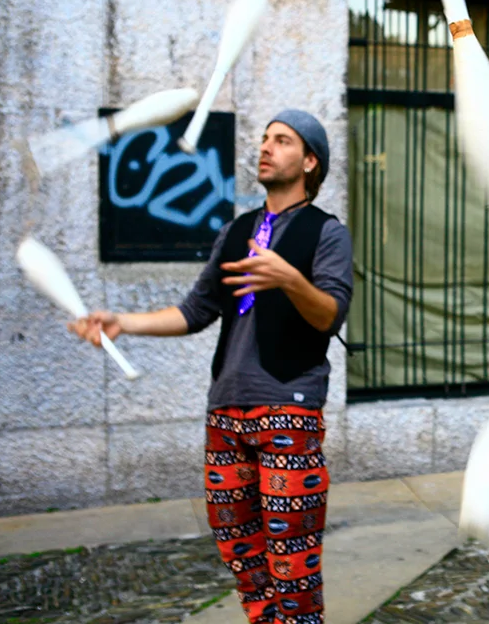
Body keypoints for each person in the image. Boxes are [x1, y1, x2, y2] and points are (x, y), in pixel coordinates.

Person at [71, 109, 353, 624]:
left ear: (310, 161)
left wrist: (289, 279)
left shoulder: (327, 233)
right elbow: (194, 311)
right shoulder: (237, 231)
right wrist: (122, 322)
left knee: (291, 562)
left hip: (287, 409)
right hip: (226, 411)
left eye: (282, 141)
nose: (265, 147)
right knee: (241, 553)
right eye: (264, 138)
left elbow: (329, 315)